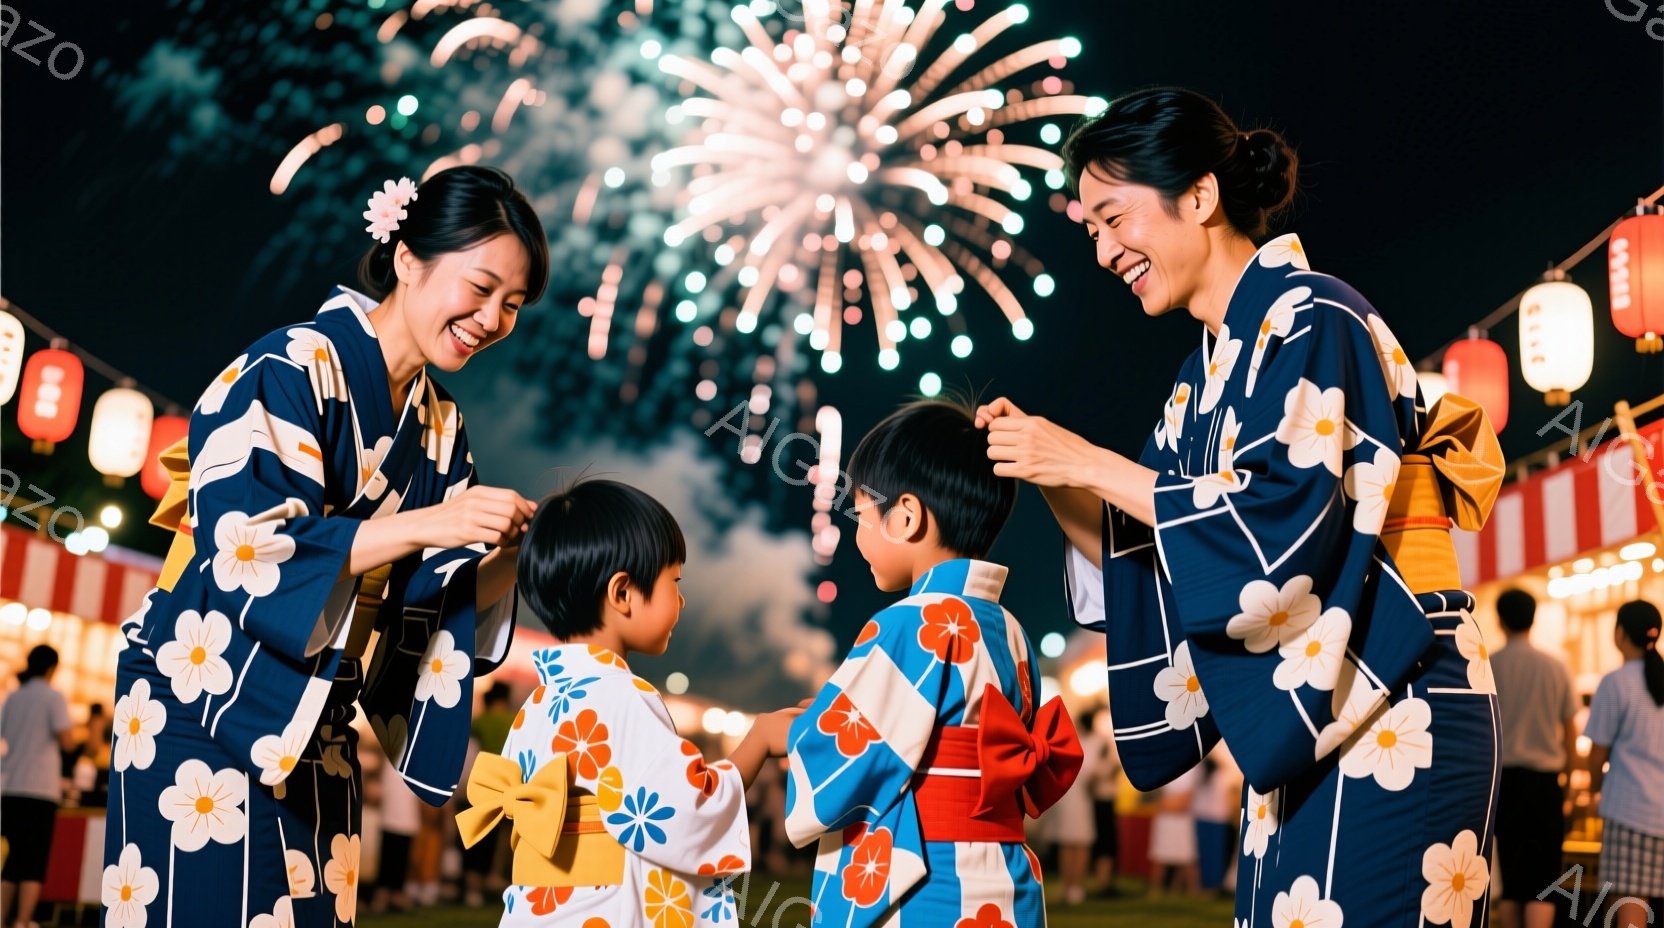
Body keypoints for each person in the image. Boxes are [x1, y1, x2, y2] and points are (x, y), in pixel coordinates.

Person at [976, 86, 1505, 926]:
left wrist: (1086, 460)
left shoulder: (1314, 313)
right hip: (1309, 707)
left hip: (1396, 691)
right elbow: (1146, 549)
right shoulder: (1199, 384)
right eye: (1091, 231)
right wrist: (1048, 472)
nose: (1106, 250)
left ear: (1199, 195)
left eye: (1116, 218)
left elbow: (1276, 525)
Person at [103, 164, 549, 927]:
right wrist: (427, 526)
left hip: (315, 729)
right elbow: (248, 545)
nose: (491, 319)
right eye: (479, 289)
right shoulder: (291, 365)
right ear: (408, 257)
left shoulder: (441, 430)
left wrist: (508, 552)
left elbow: (433, 607)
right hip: (202, 700)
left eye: (511, 305)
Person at [784, 400, 1082, 927]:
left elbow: (844, 752)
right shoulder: (1010, 630)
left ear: (905, 516)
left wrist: (788, 735)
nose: (857, 534)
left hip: (926, 883)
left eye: (861, 511)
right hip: (1004, 878)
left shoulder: (910, 622)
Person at [465, 479, 802, 925]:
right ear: (622, 593)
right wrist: (758, 740)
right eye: (673, 581)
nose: (680, 600)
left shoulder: (537, 705)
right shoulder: (622, 696)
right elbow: (684, 810)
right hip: (604, 910)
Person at [1490, 587, 1578, 928]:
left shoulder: (1490, 665)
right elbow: (1570, 733)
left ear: (1500, 620)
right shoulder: (1555, 667)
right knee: (1543, 882)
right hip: (1545, 785)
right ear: (1533, 617)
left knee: (1512, 881)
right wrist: (1570, 787)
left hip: (1505, 785)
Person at [1584, 600, 1664, 927]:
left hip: (1630, 810)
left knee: (1628, 910)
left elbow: (1598, 753)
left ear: (1619, 634)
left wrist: (1593, 790)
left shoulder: (1616, 683)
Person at [1, 645, 75, 928]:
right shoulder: (52, 697)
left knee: (13, 860)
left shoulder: (14, 697)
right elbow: (67, 740)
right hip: (40, 789)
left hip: (11, 787)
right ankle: (22, 920)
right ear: (52, 668)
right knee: (34, 860)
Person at [462, 682, 515, 906]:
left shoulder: (479, 722)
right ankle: (499, 880)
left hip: (482, 784)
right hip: (510, 787)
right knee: (505, 840)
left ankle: (473, 888)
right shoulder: (514, 721)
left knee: (479, 838)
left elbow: (469, 753)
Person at [1045, 710, 1100, 905]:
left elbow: (1093, 774)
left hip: (1080, 799)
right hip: (1068, 797)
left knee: (1079, 843)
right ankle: (1069, 886)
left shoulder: (1095, 743)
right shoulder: (1076, 741)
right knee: (1068, 843)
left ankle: (1076, 887)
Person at [1148, 764, 1199, 897]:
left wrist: (1165, 805)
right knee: (1161, 856)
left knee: (1186, 856)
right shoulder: (1163, 764)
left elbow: (1186, 800)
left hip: (1182, 819)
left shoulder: (1192, 768)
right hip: (1165, 819)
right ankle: (1156, 889)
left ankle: (1190, 890)